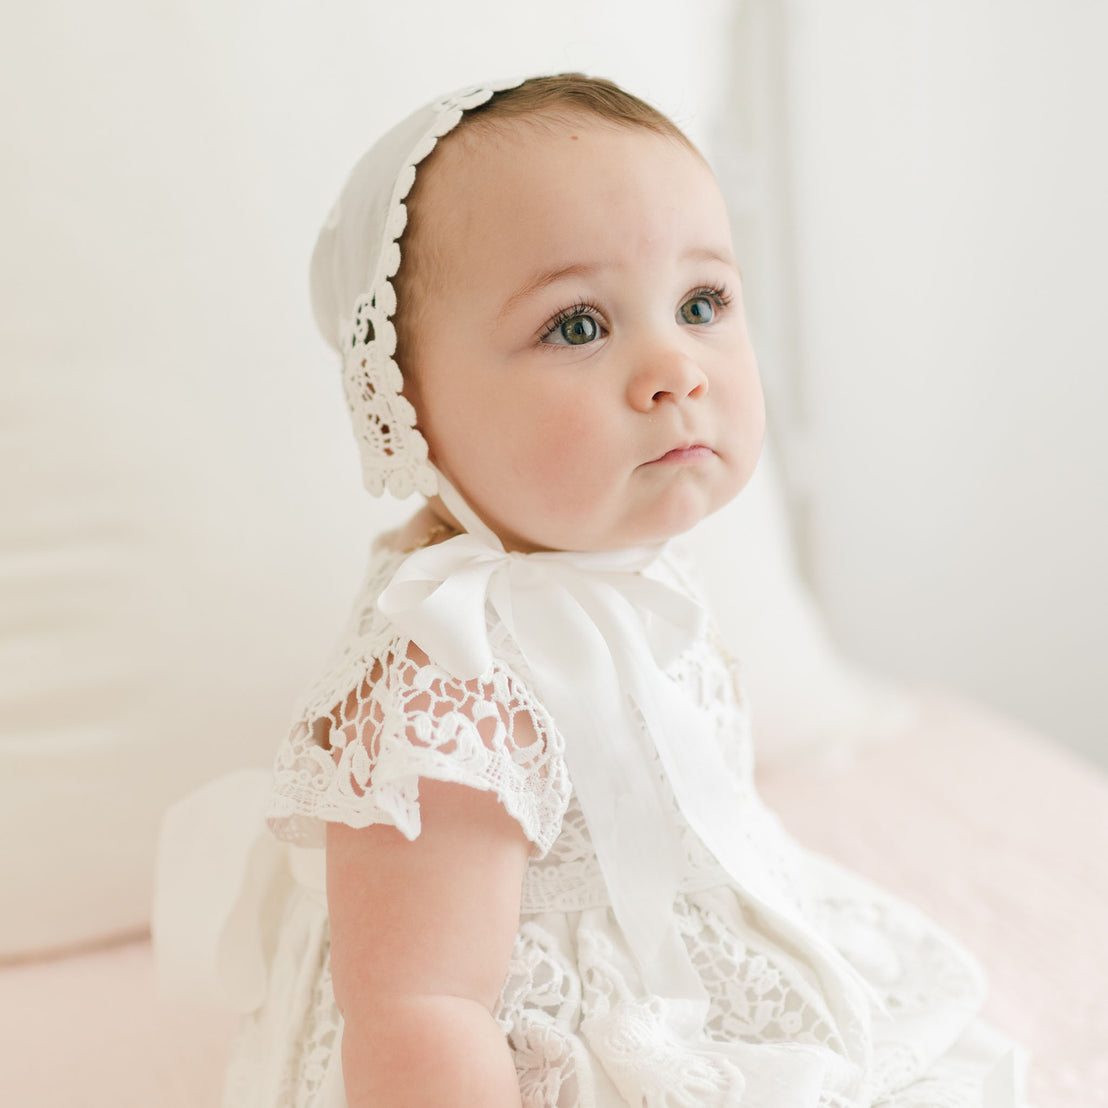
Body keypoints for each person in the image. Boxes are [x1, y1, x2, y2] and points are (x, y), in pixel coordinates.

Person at [154, 74, 1024, 1107]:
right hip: (502, 1037)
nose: (674, 367)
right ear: (412, 408)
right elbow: (417, 1001)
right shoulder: (449, 676)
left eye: (701, 304)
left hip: (668, 952)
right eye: (576, 325)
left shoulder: (637, 578)